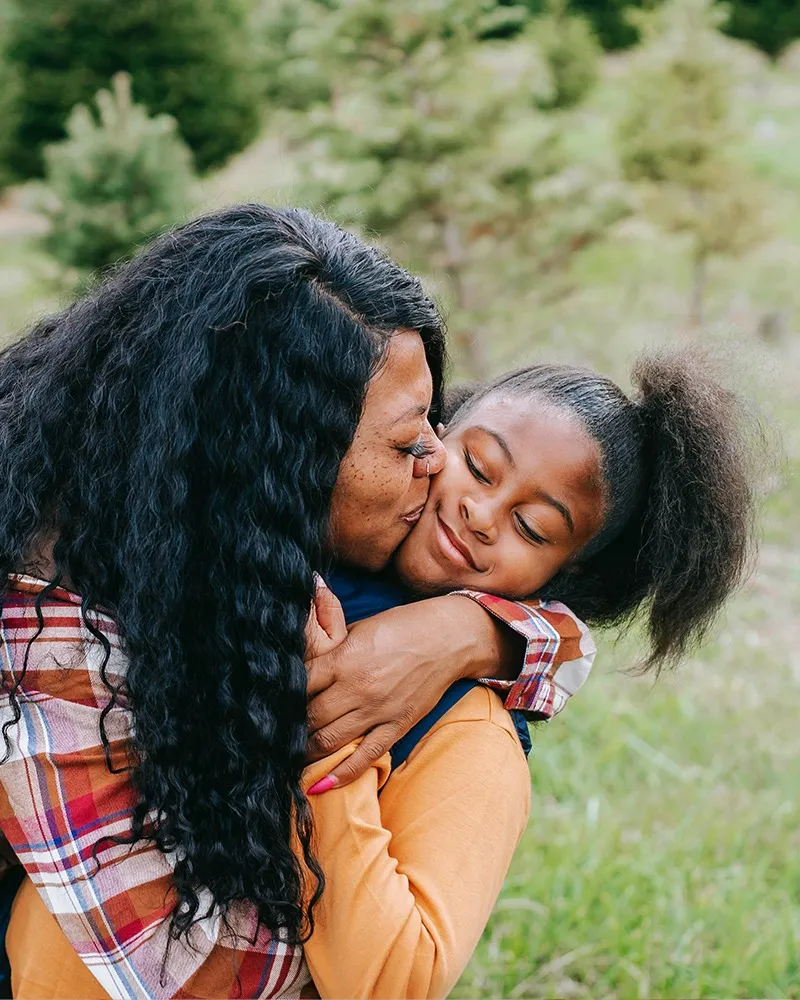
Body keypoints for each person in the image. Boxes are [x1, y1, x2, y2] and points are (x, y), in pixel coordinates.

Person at [0, 205, 593, 999]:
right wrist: (334, 762)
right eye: (407, 441)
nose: (436, 468)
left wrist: (480, 631)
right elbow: (182, 971)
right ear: (278, 455)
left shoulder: (198, 530)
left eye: (435, 429)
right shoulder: (49, 635)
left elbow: (568, 639)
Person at [292, 351, 760, 998]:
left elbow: (397, 979)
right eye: (478, 467)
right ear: (434, 430)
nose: (481, 516)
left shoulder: (473, 735)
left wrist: (333, 752)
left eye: (531, 528)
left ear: (562, 577)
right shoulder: (330, 514)